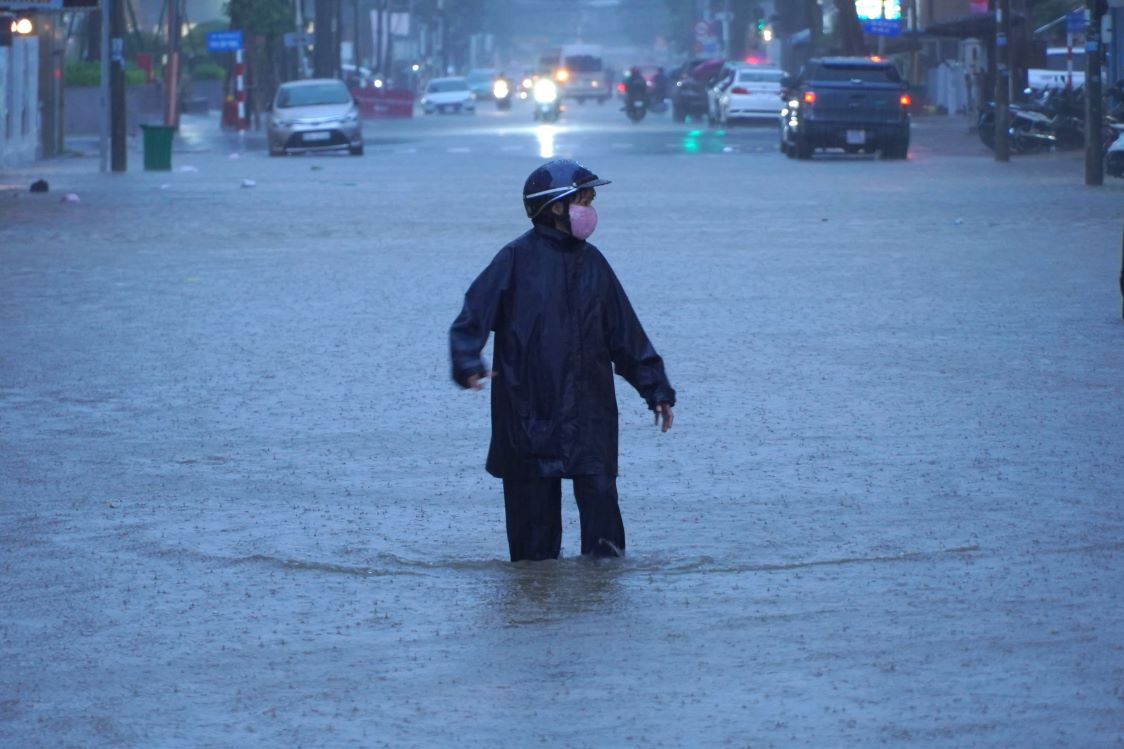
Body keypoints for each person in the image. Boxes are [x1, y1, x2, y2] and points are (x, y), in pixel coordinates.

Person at [449, 160, 676, 562]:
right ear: (556, 207)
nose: (591, 208)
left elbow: (626, 336)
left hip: (590, 419)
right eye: (584, 199)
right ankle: (537, 619)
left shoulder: (594, 264)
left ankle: (600, 616)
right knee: (532, 560)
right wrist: (468, 363)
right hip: (528, 420)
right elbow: (472, 317)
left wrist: (655, 388)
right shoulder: (514, 260)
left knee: (607, 554)